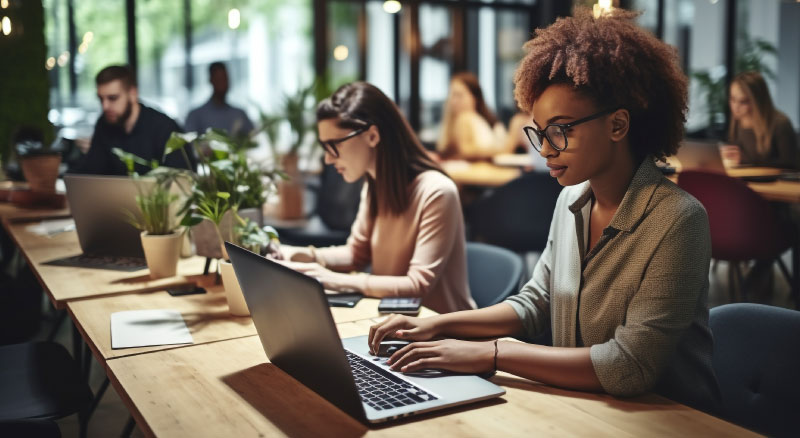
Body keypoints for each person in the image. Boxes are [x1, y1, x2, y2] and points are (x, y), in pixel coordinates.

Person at [369, 8, 721, 414]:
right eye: (540, 132)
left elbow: (629, 365)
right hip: (586, 406)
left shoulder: (678, 219)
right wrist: (437, 324)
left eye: (561, 130)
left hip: (669, 419)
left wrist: (494, 353)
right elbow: (536, 302)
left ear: (618, 125)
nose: (547, 149)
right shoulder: (571, 199)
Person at [274, 82, 476, 314]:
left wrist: (329, 279)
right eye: (324, 147)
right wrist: (302, 256)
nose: (328, 160)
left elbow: (416, 285)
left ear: (372, 136)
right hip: (395, 324)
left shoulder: (437, 192)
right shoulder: (374, 186)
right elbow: (356, 254)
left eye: (334, 146)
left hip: (444, 334)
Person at [72, 65, 195, 175]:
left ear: (132, 93)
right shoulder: (104, 124)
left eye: (113, 98)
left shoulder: (164, 127)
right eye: (101, 99)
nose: (105, 106)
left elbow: (183, 179)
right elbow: (91, 172)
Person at [721, 71, 798, 169]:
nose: (735, 107)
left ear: (757, 101)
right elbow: (739, 156)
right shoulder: (738, 121)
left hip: (776, 182)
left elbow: (790, 165)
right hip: (748, 179)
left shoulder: (780, 124)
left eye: (743, 102)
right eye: (732, 99)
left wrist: (745, 160)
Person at [435, 72, 507, 160]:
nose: (454, 101)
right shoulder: (453, 122)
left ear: (474, 97)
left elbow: (466, 151)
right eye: (452, 95)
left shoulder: (490, 123)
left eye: (459, 95)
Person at [185, 62, 254, 137]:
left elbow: (254, 139)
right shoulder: (196, 115)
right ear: (211, 80)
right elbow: (190, 145)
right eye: (219, 79)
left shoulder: (239, 114)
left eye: (225, 79)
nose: (223, 84)